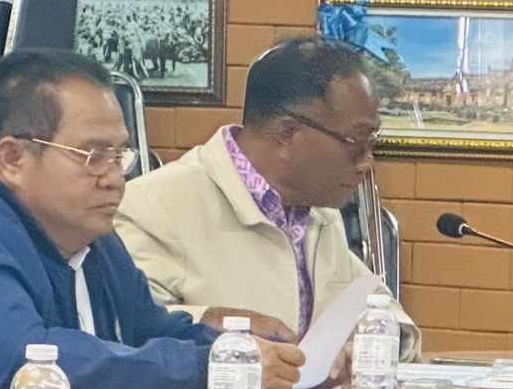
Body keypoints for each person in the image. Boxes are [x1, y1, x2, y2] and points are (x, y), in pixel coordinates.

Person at [0, 49, 303, 389]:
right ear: (12, 159)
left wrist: (247, 349)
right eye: (93, 156)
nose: (115, 178)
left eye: (119, 156)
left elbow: (150, 330)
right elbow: (21, 358)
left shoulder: (95, 237)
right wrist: (206, 369)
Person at [115, 36, 421, 366]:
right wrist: (220, 326)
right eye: (356, 143)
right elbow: (124, 333)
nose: (366, 163)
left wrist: (372, 341)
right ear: (287, 134)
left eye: (373, 142)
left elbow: (380, 309)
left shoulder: (317, 209)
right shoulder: (155, 206)